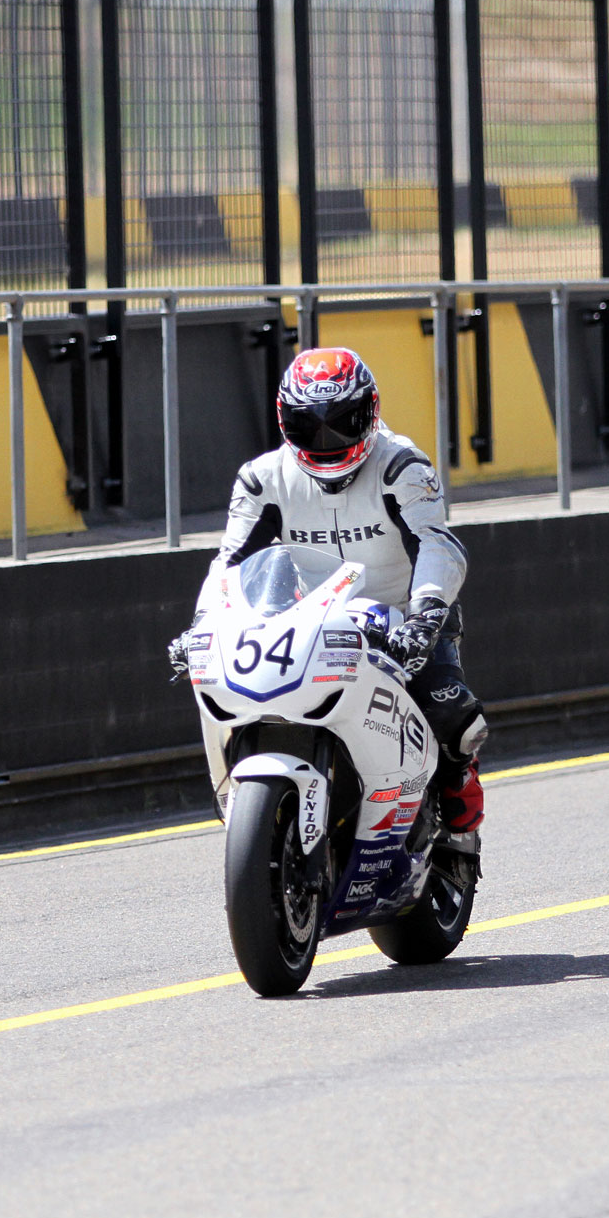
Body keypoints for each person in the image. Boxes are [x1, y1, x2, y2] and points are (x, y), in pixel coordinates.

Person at [169, 347, 486, 852]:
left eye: (342, 423)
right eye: (308, 426)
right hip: (311, 623)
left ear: (371, 412)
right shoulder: (261, 478)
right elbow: (230, 562)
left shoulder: (402, 465)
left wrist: (425, 616)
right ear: (283, 422)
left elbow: (435, 544)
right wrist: (202, 624)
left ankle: (456, 811)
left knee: (454, 719)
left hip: (403, 617)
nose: (326, 440)